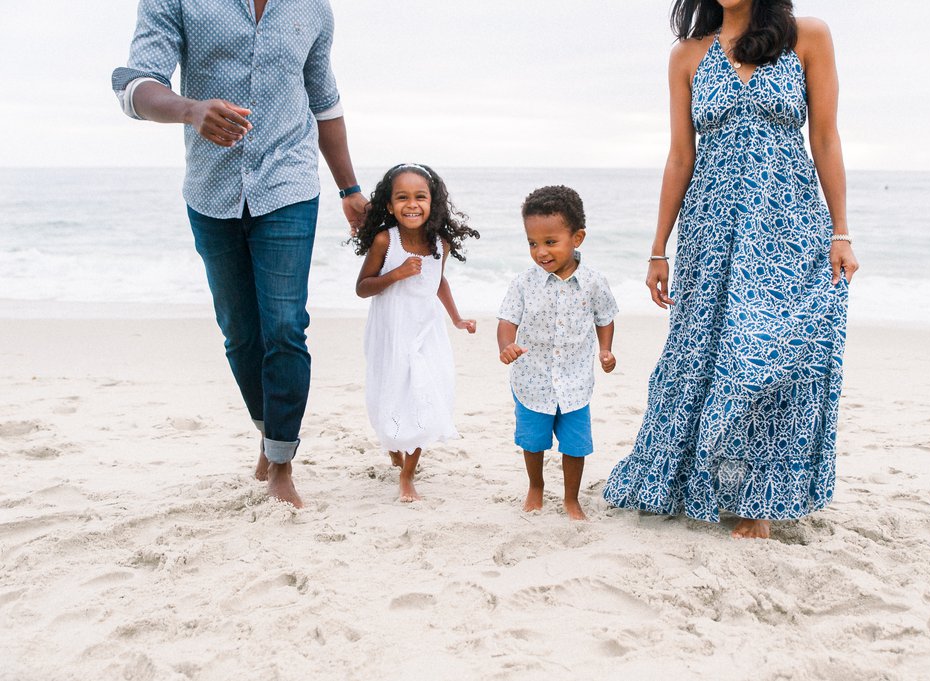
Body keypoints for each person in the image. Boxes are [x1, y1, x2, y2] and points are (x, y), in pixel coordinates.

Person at [603, 0, 859, 539]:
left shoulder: (807, 36)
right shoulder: (688, 55)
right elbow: (679, 157)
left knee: (776, 357)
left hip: (787, 225)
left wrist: (841, 231)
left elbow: (826, 138)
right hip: (710, 230)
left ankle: (758, 499)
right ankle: (692, 485)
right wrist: (658, 248)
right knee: (704, 355)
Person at [111, 0, 368, 508]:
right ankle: (269, 432)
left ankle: (281, 462)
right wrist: (191, 109)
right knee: (240, 332)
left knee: (285, 326)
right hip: (211, 187)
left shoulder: (312, 8)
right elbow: (134, 86)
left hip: (289, 184)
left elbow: (324, 100)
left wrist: (349, 188)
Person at [353, 164, 479, 502]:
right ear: (390, 205)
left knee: (426, 394)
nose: (412, 204)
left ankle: (408, 475)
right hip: (390, 333)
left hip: (426, 332)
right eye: (402, 197)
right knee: (391, 394)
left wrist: (456, 319)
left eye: (420, 196)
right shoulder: (385, 240)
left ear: (432, 202)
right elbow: (363, 288)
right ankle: (394, 445)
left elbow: (439, 282)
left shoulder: (440, 243)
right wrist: (396, 274)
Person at [497, 186, 618, 521]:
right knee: (533, 441)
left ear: (577, 238)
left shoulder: (594, 282)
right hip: (532, 379)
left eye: (550, 242)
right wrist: (506, 345)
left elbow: (604, 318)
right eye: (532, 243)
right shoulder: (524, 283)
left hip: (576, 381)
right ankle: (535, 486)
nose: (540, 252)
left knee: (575, 445)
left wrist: (605, 350)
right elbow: (507, 319)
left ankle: (571, 498)